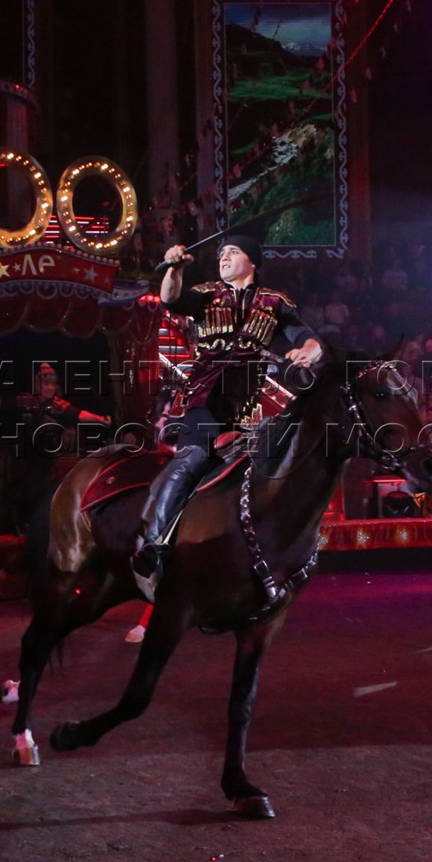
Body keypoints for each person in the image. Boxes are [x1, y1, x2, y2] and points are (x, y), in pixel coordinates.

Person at [135, 235, 322, 600]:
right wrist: (174, 268)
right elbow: (171, 297)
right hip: (206, 395)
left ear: (252, 262)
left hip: (251, 400)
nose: (224, 258)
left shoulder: (275, 302)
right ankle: (155, 541)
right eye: (221, 253)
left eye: (233, 252)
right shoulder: (206, 294)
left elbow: (307, 337)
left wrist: (309, 352)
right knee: (194, 458)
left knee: (276, 464)